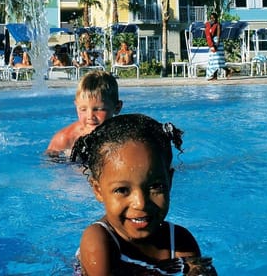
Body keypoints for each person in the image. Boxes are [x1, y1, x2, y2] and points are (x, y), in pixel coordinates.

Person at [71, 114, 217, 276]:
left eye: (155, 186)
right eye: (122, 190)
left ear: (169, 181)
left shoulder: (180, 242)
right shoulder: (98, 240)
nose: (140, 203)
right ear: (98, 190)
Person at [45, 70, 122, 157]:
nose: (90, 116)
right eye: (83, 109)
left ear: (117, 108)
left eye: (98, 109)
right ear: (76, 106)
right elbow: (49, 164)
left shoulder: (124, 136)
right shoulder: (65, 139)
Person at [205, 12, 232, 81]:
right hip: (213, 44)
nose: (212, 19)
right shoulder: (210, 25)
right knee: (213, 61)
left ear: (216, 18)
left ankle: (227, 71)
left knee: (218, 61)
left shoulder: (218, 25)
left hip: (218, 43)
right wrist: (211, 45)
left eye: (213, 18)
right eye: (211, 18)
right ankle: (216, 76)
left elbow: (218, 35)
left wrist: (216, 45)